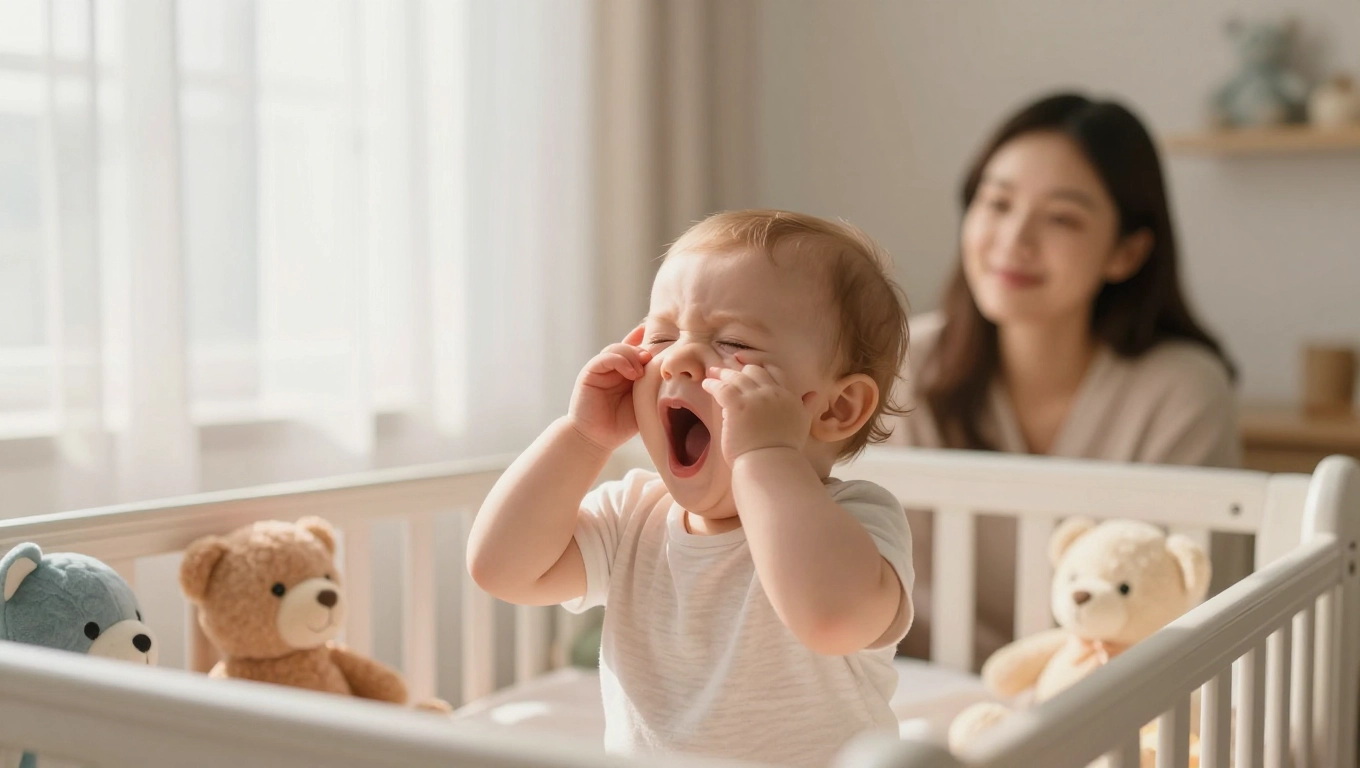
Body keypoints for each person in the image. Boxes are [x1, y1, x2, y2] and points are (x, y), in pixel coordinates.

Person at [467, 210, 916, 767]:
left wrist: (765, 456)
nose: (678, 356)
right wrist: (582, 438)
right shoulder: (634, 515)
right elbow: (500, 568)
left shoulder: (856, 521)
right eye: (661, 335)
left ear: (837, 406)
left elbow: (831, 618)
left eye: (732, 343)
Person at [890, 92, 1242, 664]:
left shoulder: (1182, 391)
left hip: (1111, 707)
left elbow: (1186, 611)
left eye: (1062, 218)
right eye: (997, 203)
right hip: (927, 700)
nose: (1015, 239)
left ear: (1126, 252)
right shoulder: (899, 365)